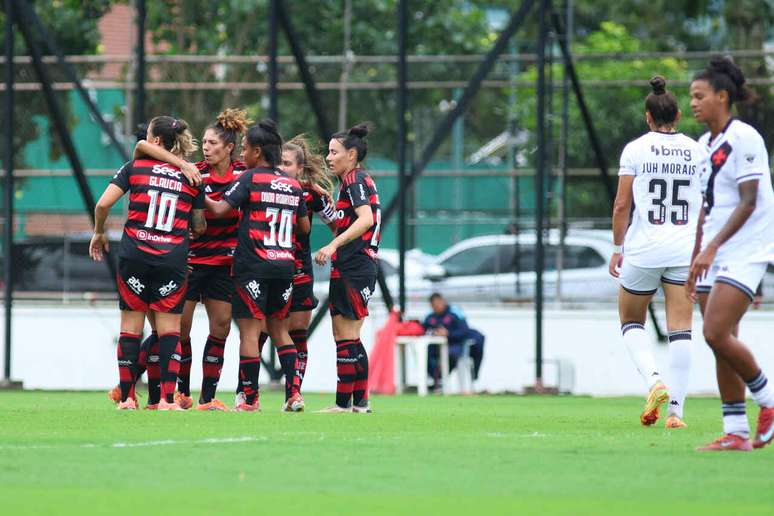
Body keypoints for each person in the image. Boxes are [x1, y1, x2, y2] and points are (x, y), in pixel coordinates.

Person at [132, 108, 250, 411]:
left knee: (220, 327)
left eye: (212, 144)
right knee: (176, 330)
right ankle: (174, 391)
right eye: (205, 143)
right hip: (190, 261)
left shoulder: (242, 176)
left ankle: (207, 397)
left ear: (229, 149)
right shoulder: (194, 172)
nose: (207, 148)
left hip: (224, 264)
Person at [686, 57, 774, 451]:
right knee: (721, 340)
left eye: (699, 96)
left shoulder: (745, 137)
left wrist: (713, 247)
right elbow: (706, 206)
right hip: (712, 251)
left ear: (723, 97)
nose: (693, 103)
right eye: (691, 97)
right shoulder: (705, 145)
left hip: (747, 248)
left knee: (715, 331)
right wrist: (695, 256)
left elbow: (749, 201)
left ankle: (769, 401)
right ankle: (736, 431)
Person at [90, 116, 206, 411]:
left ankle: (127, 398)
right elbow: (200, 226)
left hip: (135, 256)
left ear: (155, 142)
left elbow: (102, 204)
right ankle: (168, 399)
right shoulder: (192, 178)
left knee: (131, 327)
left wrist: (99, 232)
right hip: (172, 259)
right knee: (169, 331)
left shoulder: (135, 168)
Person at [609, 76, 706, 428]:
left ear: (647, 117)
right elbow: (708, 203)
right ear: (678, 115)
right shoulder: (698, 151)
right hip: (684, 249)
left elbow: (622, 205)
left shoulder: (635, 149)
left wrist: (617, 248)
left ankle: (654, 381)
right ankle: (676, 413)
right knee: (682, 328)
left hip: (644, 248)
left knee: (631, 320)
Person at [206, 120, 310, 412]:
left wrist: (194, 189)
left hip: (253, 265)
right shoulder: (292, 185)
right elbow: (303, 226)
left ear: (257, 151)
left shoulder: (250, 178)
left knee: (250, 333)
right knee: (280, 330)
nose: (242, 153)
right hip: (284, 266)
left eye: (245, 148)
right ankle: (294, 395)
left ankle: (250, 399)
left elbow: (218, 209)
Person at [315, 122, 381, 413]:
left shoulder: (354, 179)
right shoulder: (354, 181)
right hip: (352, 266)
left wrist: (332, 246)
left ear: (351, 155)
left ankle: (348, 404)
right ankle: (356, 403)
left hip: (356, 266)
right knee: (346, 337)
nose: (329, 158)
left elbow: (366, 219)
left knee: (347, 336)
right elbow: (351, 220)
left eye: (334, 152)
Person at [277, 136, 337, 406]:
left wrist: (336, 246)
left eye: (287, 163)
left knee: (298, 331)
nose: (281, 167)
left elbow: (336, 224)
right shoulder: (261, 184)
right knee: (263, 330)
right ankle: (248, 393)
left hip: (299, 269)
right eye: (278, 161)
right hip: (268, 269)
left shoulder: (310, 194)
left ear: (299, 168)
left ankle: (294, 392)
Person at [422, 293, 485, 390]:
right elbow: (423, 330)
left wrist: (448, 334)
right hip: (437, 346)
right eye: (434, 305)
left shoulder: (455, 313)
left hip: (457, 344)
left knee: (454, 355)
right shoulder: (429, 317)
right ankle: (436, 381)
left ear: (443, 301)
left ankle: (470, 379)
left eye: (439, 303)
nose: (437, 306)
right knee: (425, 354)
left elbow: (464, 330)